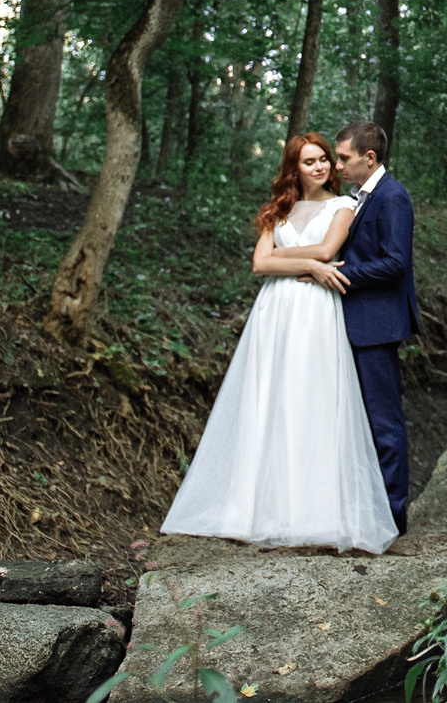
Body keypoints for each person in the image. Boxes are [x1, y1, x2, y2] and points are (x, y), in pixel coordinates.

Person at [159, 132, 397, 553]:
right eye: (309, 162)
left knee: (309, 397)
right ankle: (253, 508)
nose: (320, 167)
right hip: (274, 310)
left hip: (315, 309)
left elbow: (326, 250)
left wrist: (294, 261)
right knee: (267, 397)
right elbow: (259, 263)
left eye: (324, 159)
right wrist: (307, 263)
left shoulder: (344, 206)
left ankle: (311, 511)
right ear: (294, 169)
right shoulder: (279, 209)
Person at [307, 119, 416, 533]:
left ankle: (392, 517)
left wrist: (340, 273)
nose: (337, 166)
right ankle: (364, 509)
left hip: (377, 325)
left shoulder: (392, 196)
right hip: (354, 323)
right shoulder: (360, 197)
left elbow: (395, 263)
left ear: (370, 158)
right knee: (358, 420)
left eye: (343, 158)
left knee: (383, 422)